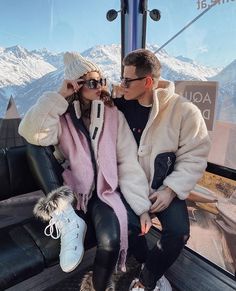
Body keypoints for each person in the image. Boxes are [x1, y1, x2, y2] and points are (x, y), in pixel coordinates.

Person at [18, 51, 152, 291]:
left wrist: (142, 208)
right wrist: (60, 96)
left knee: (110, 241)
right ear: (77, 86)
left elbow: (128, 162)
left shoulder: (113, 116)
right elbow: (30, 132)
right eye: (91, 82)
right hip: (75, 191)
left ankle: (98, 287)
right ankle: (65, 214)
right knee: (33, 146)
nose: (100, 87)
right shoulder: (62, 118)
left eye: (101, 80)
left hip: (104, 191)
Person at [113, 49, 211, 291]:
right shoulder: (118, 106)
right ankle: (146, 264)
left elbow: (195, 156)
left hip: (164, 186)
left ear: (147, 82)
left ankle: (147, 281)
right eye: (121, 78)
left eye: (127, 80)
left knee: (178, 233)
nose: (121, 84)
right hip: (128, 185)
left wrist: (171, 190)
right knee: (131, 226)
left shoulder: (184, 111)